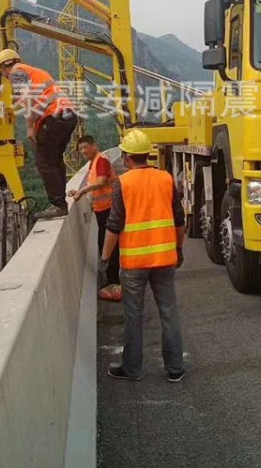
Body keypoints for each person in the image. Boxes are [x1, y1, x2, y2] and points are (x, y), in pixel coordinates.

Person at [100, 129, 186, 383]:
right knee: (169, 313)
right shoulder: (166, 179)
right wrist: (178, 249)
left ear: (126, 157)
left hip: (134, 263)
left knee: (133, 317)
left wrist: (105, 258)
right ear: (147, 155)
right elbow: (179, 220)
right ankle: (175, 369)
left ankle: (133, 369)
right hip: (164, 260)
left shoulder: (122, 184)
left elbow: (114, 224)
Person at [0, 49, 77, 220]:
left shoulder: (16, 73)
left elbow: (27, 99)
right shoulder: (34, 72)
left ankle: (57, 204)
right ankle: (60, 202)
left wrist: (30, 127)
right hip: (67, 115)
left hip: (53, 116)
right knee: (54, 159)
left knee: (44, 161)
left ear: (3, 67)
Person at [68, 135, 121, 301]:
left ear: (94, 146)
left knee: (109, 247)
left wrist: (82, 191)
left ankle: (114, 283)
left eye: (86, 147)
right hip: (102, 210)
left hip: (109, 209)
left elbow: (102, 181)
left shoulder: (101, 160)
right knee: (106, 245)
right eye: (81, 149)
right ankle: (112, 280)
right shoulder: (94, 163)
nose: (83, 151)